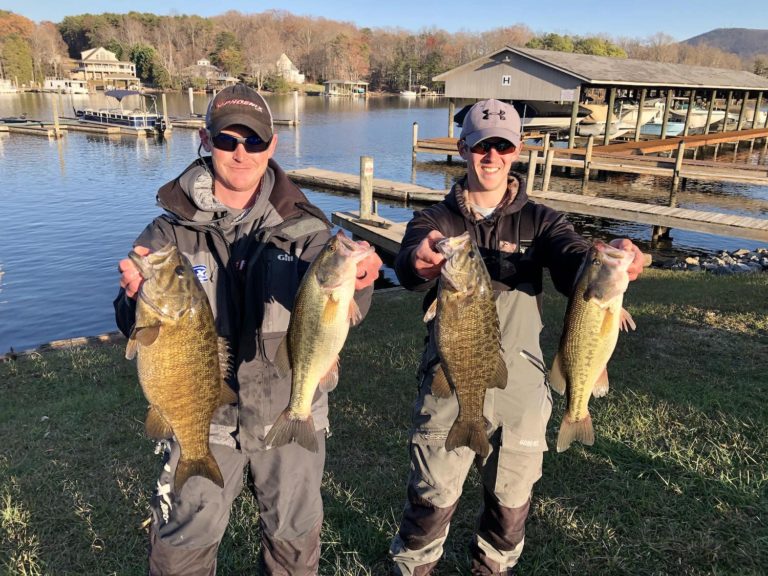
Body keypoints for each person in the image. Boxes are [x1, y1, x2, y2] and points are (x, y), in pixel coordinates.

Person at [114, 83, 382, 576]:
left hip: (289, 409)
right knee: (181, 553)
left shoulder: (307, 229)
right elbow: (129, 321)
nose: (241, 153)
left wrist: (363, 281)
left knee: (294, 546)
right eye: (228, 140)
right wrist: (132, 297)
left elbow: (342, 306)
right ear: (204, 139)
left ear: (272, 146)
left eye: (254, 141)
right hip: (204, 417)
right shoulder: (166, 234)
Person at [388, 99, 646, 575]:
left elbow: (572, 262)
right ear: (463, 148)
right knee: (431, 500)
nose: (491, 156)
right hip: (451, 379)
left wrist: (618, 262)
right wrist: (419, 260)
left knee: (509, 506)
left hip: (522, 387)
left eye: (502, 146)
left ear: (517, 150)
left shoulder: (543, 221)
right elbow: (408, 263)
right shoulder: (436, 219)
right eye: (482, 145)